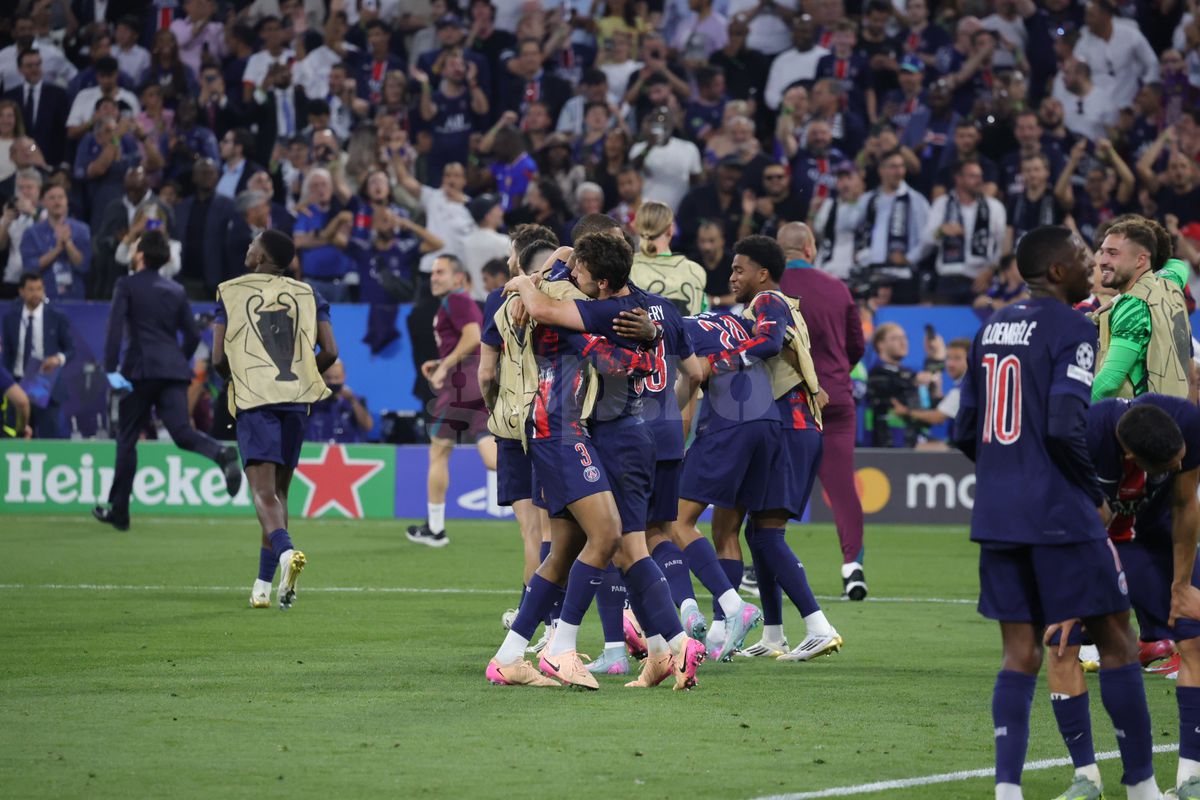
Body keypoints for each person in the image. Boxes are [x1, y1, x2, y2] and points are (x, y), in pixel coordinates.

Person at [953, 224, 1159, 800]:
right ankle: (1142, 788)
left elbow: (965, 429)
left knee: (1019, 653)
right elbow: (1064, 424)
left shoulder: (989, 327)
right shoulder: (1073, 327)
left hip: (997, 515)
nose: (1092, 262)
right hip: (1059, 513)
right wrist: (1093, 491)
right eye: (1082, 255)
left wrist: (1005, 471)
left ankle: (1007, 790)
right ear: (1057, 271)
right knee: (1116, 639)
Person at [500, 234, 707, 690]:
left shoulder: (603, 309)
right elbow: (562, 262)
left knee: (620, 544)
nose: (572, 271)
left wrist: (524, 284)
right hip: (611, 431)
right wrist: (545, 272)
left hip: (610, 436)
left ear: (602, 279)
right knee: (595, 547)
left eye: (581, 267)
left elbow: (546, 310)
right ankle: (662, 647)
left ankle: (580, 648)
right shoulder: (650, 306)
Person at [1037, 397, 1200, 800]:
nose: (1180, 464)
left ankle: (1192, 778)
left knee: (1194, 636)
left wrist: (1182, 586)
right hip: (1088, 537)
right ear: (1131, 457)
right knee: (1061, 642)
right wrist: (1072, 596)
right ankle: (1086, 778)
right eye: (1169, 464)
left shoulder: (1186, 422)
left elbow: (1185, 504)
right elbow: (1066, 518)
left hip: (1154, 536)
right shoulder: (1083, 437)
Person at [211, 229, 340, 610]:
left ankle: (286, 553)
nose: (248, 246)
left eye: (253, 242)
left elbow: (217, 358)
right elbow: (331, 351)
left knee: (262, 491)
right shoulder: (309, 294)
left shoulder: (231, 292)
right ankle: (264, 587)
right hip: (296, 403)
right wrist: (302, 376)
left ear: (261, 256)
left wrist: (240, 380)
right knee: (280, 494)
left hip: (256, 401)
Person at [93, 231, 241, 532]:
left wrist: (110, 370)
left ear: (140, 255)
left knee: (127, 438)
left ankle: (119, 511)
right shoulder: (175, 289)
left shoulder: (126, 285)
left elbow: (114, 330)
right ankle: (220, 452)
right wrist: (175, 361)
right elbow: (192, 335)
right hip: (172, 370)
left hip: (139, 371)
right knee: (182, 432)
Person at [777, 223, 867, 602]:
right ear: (810, 249)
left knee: (773, 483)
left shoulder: (771, 289)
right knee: (843, 489)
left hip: (790, 399)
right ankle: (853, 567)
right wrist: (836, 372)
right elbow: (856, 346)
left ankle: (758, 564)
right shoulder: (837, 288)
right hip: (837, 400)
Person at [478, 226, 557, 642]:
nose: (508, 259)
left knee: (532, 531)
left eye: (512, 252)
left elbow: (485, 373)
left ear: (521, 258)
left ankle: (540, 622)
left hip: (514, 421)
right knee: (554, 531)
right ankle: (550, 621)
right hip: (556, 419)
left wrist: (496, 406)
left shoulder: (500, 299)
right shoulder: (566, 298)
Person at [407, 254, 497, 548]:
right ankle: (543, 480)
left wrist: (444, 367)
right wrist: (440, 361)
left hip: (458, 387)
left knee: (438, 453)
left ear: (458, 278)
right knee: (493, 458)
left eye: (441, 272)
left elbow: (472, 336)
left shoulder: (456, 300)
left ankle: (435, 529)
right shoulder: (462, 301)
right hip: (478, 384)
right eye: (433, 272)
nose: (434, 277)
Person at [1093, 217, 1191, 400]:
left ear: (1141, 260)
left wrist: (1074, 406)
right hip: (1178, 407)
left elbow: (1110, 380)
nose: (1102, 261)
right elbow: (1177, 265)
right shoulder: (1169, 283)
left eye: (1113, 253)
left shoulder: (1132, 307)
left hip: (1141, 413)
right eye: (1102, 252)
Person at [916, 159, 1008, 304]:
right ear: (958, 179)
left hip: (980, 280)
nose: (979, 181)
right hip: (948, 280)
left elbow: (1001, 245)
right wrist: (941, 231)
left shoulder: (994, 207)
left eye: (980, 176)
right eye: (972, 176)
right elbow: (925, 238)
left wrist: (990, 271)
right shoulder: (942, 204)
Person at [852, 149, 931, 304]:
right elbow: (855, 229)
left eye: (902, 166)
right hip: (870, 273)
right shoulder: (868, 199)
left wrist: (910, 258)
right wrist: (857, 253)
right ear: (881, 170)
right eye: (893, 167)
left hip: (901, 275)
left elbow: (927, 238)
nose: (899, 171)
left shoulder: (916, 200)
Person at [1, 272, 73, 438]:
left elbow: (71, 349)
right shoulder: (10, 318)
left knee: (50, 439)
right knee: (16, 437)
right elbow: (7, 355)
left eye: (39, 289)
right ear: (21, 291)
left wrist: (58, 359)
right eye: (31, 289)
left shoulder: (56, 316)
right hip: (17, 383)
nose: (36, 293)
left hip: (45, 384)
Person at [630, 201, 707, 316]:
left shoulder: (626, 268)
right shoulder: (695, 271)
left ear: (635, 227)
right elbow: (702, 316)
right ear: (671, 229)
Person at [890, 337, 970, 443]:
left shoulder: (964, 389)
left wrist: (905, 411)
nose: (950, 364)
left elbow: (937, 417)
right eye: (948, 358)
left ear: (971, 360)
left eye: (957, 358)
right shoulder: (964, 385)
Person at [19, 183, 90, 301]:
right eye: (52, 198)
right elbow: (30, 267)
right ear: (43, 202)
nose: (57, 202)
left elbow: (83, 265)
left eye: (61, 197)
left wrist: (68, 243)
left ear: (66, 201)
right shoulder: (32, 233)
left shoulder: (81, 230)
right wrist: (57, 250)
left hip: (75, 297)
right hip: (42, 298)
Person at [3, 48, 70, 167]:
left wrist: (65, 163)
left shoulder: (58, 94)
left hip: (51, 161)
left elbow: (65, 131)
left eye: (38, 64)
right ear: (20, 70)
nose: (35, 69)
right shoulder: (9, 96)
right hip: (15, 162)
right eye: (29, 66)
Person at [306, 359, 373, 442]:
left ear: (343, 376)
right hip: (317, 448)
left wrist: (353, 401)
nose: (332, 382)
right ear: (321, 377)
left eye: (336, 378)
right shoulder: (311, 401)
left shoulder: (356, 400)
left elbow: (368, 426)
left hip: (348, 448)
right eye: (328, 378)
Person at [461, 193, 510, 301]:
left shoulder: (465, 242)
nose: (501, 212)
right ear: (488, 216)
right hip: (498, 301)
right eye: (497, 209)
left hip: (473, 301)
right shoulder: (503, 241)